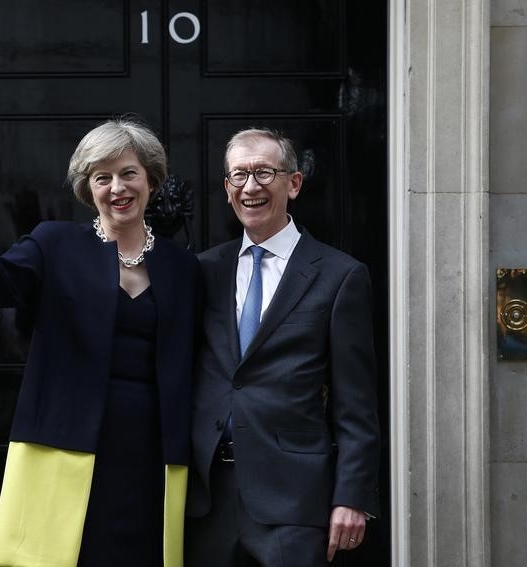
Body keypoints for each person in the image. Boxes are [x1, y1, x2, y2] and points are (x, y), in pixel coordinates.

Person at [0, 117, 199, 567]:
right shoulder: (55, 244)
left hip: (152, 453)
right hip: (62, 445)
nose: (117, 187)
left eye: (128, 173)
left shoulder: (183, 267)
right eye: (103, 177)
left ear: (151, 179)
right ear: (88, 188)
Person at [185, 128, 380, 566]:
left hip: (293, 501)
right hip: (205, 498)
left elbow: (357, 403)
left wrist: (352, 496)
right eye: (239, 176)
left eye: (264, 173)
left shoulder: (339, 275)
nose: (250, 186)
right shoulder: (202, 272)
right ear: (227, 189)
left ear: (293, 183)